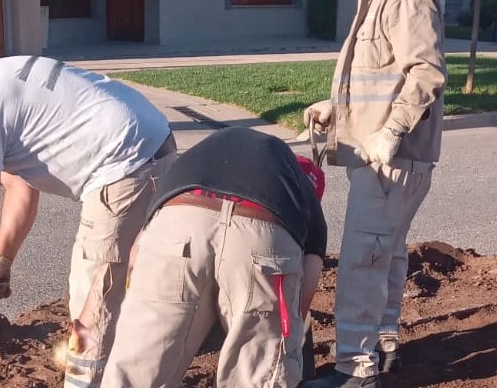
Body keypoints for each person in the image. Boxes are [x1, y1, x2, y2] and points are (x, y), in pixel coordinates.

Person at [0, 52, 177, 388]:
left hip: (125, 164)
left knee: (92, 298)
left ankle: (90, 382)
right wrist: (1, 261)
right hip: (152, 145)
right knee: (130, 279)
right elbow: (19, 186)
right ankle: (138, 360)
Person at [302, 0, 447, 388]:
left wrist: (391, 132)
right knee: (385, 255)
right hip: (387, 156)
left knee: (363, 260)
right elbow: (382, 77)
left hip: (391, 158)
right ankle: (384, 345)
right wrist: (337, 109)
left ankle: (353, 371)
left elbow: (425, 72)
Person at [100, 126, 328, 388]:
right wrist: (282, 335)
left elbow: (137, 253)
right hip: (259, 234)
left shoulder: (201, 156)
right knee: (258, 372)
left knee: (137, 367)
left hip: (177, 222)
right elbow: (303, 291)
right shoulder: (302, 193)